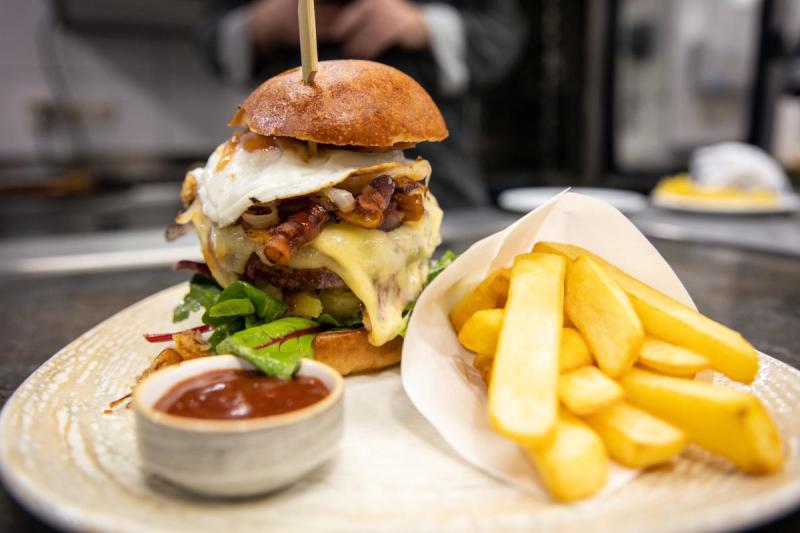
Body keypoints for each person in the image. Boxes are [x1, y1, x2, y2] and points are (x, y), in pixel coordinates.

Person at [199, 0, 526, 208]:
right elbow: (210, 38)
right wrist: (259, 24)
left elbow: (501, 33)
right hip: (274, 162)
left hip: (437, 172)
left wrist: (421, 25)